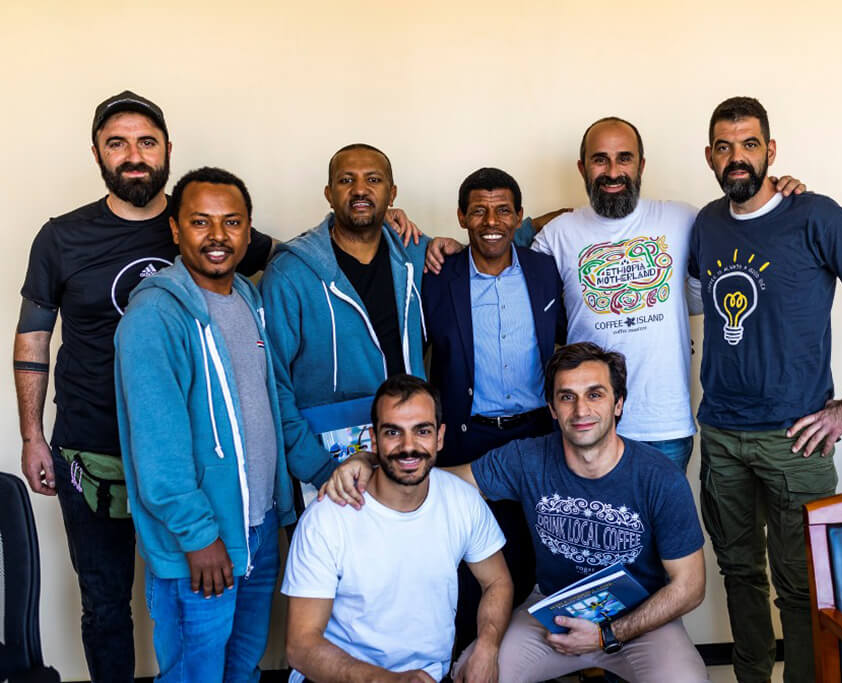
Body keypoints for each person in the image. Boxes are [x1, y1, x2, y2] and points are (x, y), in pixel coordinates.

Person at [13, 90, 275, 683]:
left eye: (146, 142)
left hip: (193, 462)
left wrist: (394, 228)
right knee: (106, 603)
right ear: (97, 154)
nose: (133, 155)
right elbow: (33, 339)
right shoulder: (62, 238)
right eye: (117, 143)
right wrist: (32, 436)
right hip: (95, 453)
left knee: (190, 594)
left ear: (167, 150)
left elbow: (292, 259)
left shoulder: (201, 220)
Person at [425, 117, 805, 472]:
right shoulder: (557, 235)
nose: (612, 171)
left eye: (624, 158)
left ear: (641, 165)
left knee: (662, 523)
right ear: (582, 167)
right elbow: (501, 256)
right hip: (583, 426)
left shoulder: (685, 219)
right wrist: (452, 248)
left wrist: (777, 191)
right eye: (599, 160)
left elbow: (743, 223)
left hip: (663, 426)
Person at [687, 96, 842, 683]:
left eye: (749, 144)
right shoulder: (707, 223)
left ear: (771, 150)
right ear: (710, 156)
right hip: (721, 434)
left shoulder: (815, 215)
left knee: (802, 584)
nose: (737, 157)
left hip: (796, 440)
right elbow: (691, 298)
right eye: (724, 147)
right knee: (739, 574)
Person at [326, 343, 710, 682]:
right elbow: (439, 478)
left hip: (638, 622)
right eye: (567, 397)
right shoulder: (527, 459)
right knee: (475, 672)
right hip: (551, 611)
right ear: (552, 408)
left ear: (618, 403)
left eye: (595, 394)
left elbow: (690, 586)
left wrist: (607, 634)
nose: (581, 410)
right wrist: (370, 461)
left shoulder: (659, 477)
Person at [114, 167, 296, 681]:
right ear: (175, 229)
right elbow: (158, 449)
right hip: (201, 542)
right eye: (200, 222)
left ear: (248, 230)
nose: (218, 236)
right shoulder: (156, 315)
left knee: (242, 668)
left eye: (231, 222)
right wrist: (198, 537)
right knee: (195, 674)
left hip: (257, 529)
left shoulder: (247, 299)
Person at [421, 166, 566, 653]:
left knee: (539, 554)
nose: (491, 221)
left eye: (503, 210)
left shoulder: (545, 271)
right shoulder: (436, 276)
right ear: (461, 216)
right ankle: (471, 659)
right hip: (468, 438)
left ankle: (531, 661)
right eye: (479, 210)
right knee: (472, 563)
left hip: (538, 435)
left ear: (519, 217)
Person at [283, 374, 512, 683]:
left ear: (439, 437)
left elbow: (497, 581)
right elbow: (301, 646)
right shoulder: (326, 518)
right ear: (373, 439)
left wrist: (487, 646)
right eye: (393, 432)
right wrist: (385, 680)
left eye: (422, 431)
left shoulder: (462, 500)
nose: (408, 447)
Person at [260, 144, 430, 498]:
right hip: (326, 463)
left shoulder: (414, 254)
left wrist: (449, 244)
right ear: (329, 193)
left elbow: (485, 248)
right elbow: (273, 381)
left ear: (392, 193)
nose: (360, 190)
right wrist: (317, 467)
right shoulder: (290, 273)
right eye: (346, 180)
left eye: (373, 180)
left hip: (406, 451)